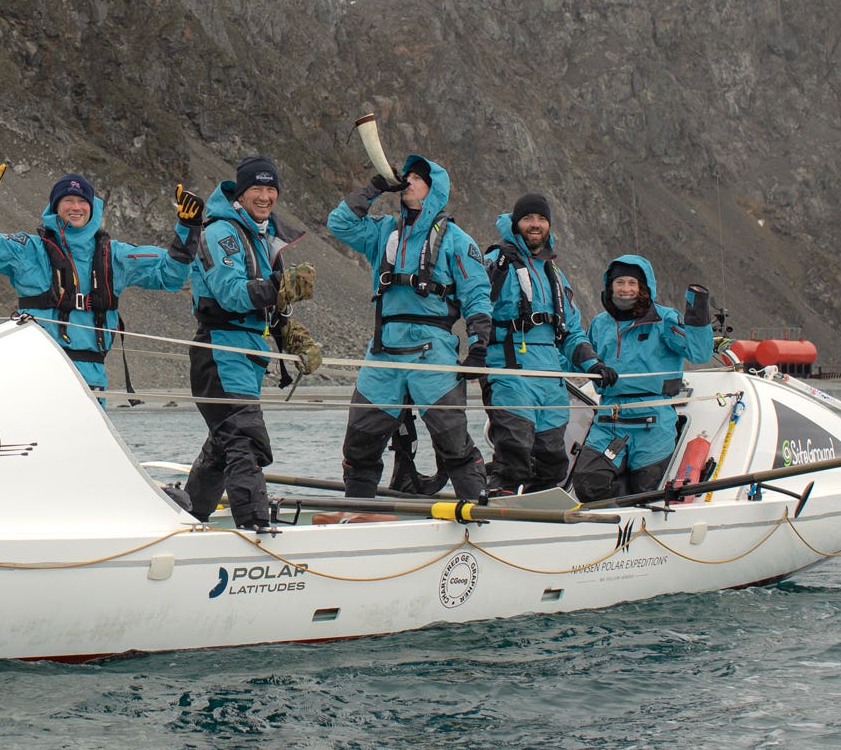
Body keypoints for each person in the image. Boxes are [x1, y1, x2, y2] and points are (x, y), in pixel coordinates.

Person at [0, 164, 200, 404]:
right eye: (68, 200)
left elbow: (171, 276)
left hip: (92, 380)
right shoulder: (29, 250)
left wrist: (188, 227)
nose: (76, 207)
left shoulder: (115, 255)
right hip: (35, 374)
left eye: (82, 201)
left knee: (87, 442)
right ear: (55, 207)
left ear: (92, 207)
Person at [327, 155, 491, 500]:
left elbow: (477, 295)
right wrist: (373, 189)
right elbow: (339, 223)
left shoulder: (457, 241)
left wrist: (478, 348)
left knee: (452, 439)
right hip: (384, 351)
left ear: (433, 190)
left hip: (433, 351)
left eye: (417, 178)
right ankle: (359, 513)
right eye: (408, 176)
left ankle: (478, 511)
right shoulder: (385, 230)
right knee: (360, 442)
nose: (409, 181)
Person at [183, 155, 319, 532]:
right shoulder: (222, 232)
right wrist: (282, 285)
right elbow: (231, 294)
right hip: (220, 354)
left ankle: (188, 519)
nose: (264, 196)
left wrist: (294, 339)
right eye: (256, 188)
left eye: (270, 188)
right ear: (239, 194)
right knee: (245, 442)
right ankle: (256, 530)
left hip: (245, 357)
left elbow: (272, 306)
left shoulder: (261, 238)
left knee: (224, 443)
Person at [482, 192, 617, 494]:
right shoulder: (496, 262)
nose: (535, 224)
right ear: (517, 223)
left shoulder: (555, 274)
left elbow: (571, 331)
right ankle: (494, 507)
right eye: (529, 218)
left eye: (541, 219)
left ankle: (535, 513)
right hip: (510, 371)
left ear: (549, 226)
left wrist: (593, 364)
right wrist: (475, 353)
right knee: (514, 454)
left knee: (553, 462)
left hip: (550, 378)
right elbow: (475, 308)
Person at [572, 254, 714, 502]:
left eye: (632, 283)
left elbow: (699, 352)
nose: (625, 289)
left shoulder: (665, 319)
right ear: (610, 286)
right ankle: (618, 519)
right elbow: (575, 361)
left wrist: (698, 311)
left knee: (646, 489)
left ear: (643, 287)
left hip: (654, 421)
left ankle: (633, 520)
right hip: (609, 419)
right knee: (587, 482)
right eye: (620, 282)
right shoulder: (599, 323)